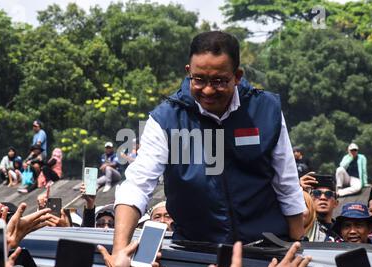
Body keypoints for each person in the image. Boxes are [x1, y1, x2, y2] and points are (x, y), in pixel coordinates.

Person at [113, 31, 305, 252]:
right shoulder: (165, 119)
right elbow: (137, 185)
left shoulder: (266, 110)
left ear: (238, 75)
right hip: (196, 252)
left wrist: (298, 244)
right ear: (188, 72)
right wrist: (119, 251)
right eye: (199, 79)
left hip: (266, 250)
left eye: (219, 81)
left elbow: (287, 183)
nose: (207, 90)